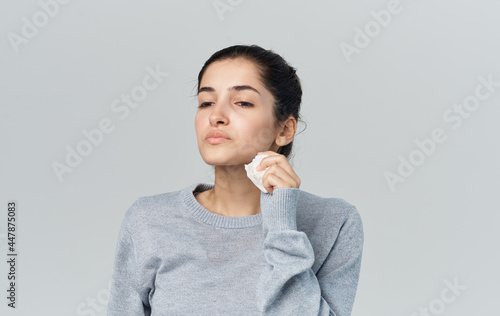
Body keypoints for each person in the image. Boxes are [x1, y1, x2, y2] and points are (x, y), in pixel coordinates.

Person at [107, 44, 364, 315]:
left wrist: (282, 226)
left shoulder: (335, 222)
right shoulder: (148, 220)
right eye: (206, 102)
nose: (215, 116)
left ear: (285, 130)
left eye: (242, 102)